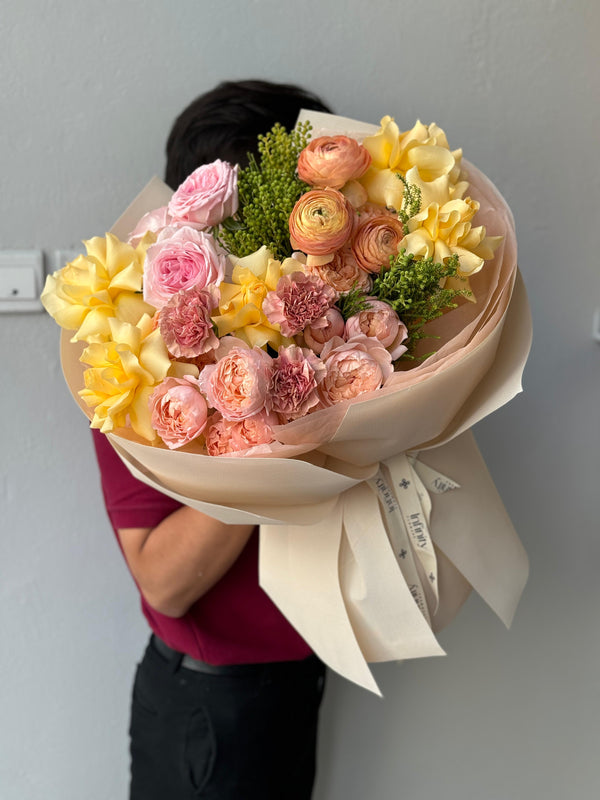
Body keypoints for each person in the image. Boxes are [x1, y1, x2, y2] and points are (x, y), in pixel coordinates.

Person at [92, 80, 333, 800]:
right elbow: (164, 581)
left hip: (299, 678)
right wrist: (275, 431)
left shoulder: (326, 325)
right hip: (210, 706)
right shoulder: (140, 361)